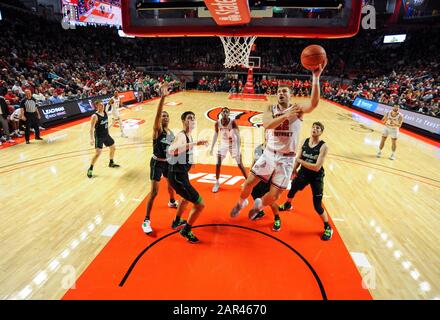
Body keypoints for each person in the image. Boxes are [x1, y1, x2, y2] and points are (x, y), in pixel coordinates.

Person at [230, 63, 326, 220]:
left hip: (287, 158)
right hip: (269, 154)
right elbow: (268, 124)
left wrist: (316, 77)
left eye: (284, 91)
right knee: (248, 184)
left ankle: (258, 206)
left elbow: (314, 103)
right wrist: (286, 116)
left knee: (274, 196)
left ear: (290, 95)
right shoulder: (270, 108)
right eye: (279, 91)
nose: (281, 93)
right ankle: (241, 203)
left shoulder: (298, 108)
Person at [279, 122, 333, 240]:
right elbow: (299, 157)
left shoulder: (323, 147)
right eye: (313, 127)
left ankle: (328, 227)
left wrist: (300, 161)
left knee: (317, 205)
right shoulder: (304, 141)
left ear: (321, 132)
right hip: (304, 173)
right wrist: (294, 170)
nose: (314, 129)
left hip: (316, 177)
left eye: (318, 128)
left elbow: (316, 167)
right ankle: (288, 204)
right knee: (293, 188)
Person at [142, 82, 178, 235]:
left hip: (167, 163)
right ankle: (146, 220)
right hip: (156, 163)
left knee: (171, 185)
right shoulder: (158, 130)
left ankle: (171, 201)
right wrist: (162, 98)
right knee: (155, 192)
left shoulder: (171, 133)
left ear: (168, 119)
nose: (164, 117)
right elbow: (157, 115)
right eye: (162, 115)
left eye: (166, 116)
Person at [167, 111, 208, 243]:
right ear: (183, 121)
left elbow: (184, 151)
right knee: (200, 204)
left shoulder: (188, 135)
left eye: (194, 118)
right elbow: (172, 150)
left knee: (185, 199)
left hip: (181, 173)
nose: (192, 120)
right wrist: (196, 143)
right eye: (189, 118)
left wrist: (190, 161)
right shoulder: (182, 136)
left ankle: (176, 221)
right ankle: (186, 230)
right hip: (177, 176)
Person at [209, 107, 247, 193]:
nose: (225, 113)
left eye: (227, 112)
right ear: (221, 113)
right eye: (223, 111)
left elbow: (238, 136)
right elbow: (215, 134)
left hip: (233, 143)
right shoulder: (217, 123)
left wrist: (238, 149)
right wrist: (212, 147)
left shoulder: (232, 122)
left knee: (240, 165)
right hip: (224, 143)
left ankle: (248, 182)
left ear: (229, 114)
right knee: (218, 163)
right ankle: (217, 182)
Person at [87, 99, 120, 178]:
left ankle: (111, 162)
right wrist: (91, 139)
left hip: (106, 134)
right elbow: (91, 129)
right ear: (97, 106)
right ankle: (90, 168)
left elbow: (105, 124)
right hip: (99, 136)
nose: (102, 106)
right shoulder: (95, 116)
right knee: (98, 153)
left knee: (113, 147)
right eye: (100, 105)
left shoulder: (105, 112)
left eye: (102, 105)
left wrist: (113, 122)